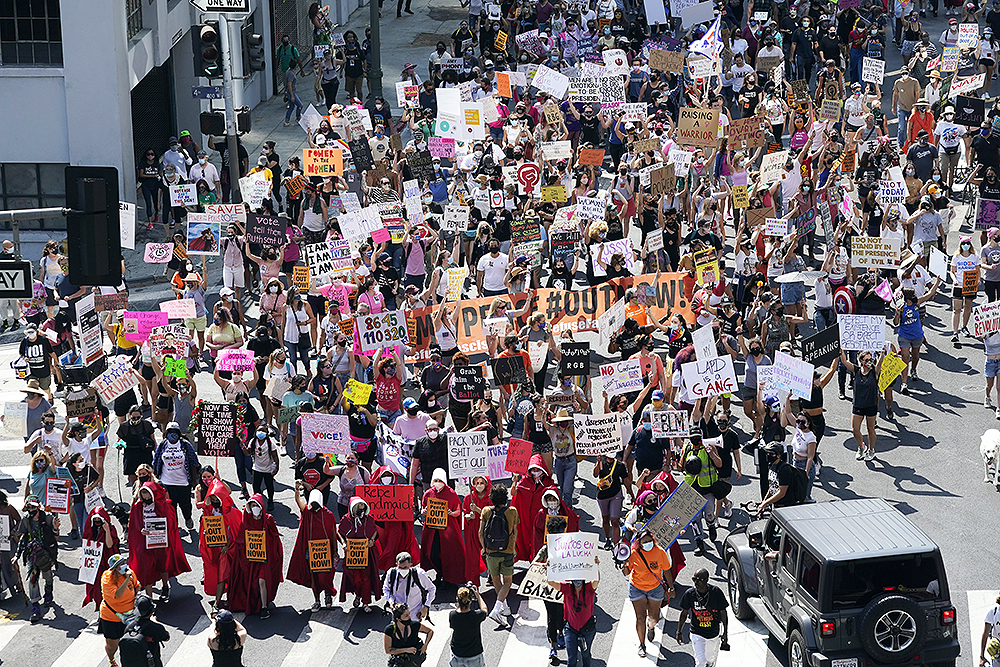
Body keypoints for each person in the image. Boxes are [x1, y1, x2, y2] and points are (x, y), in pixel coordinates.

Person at [127, 482, 191, 601]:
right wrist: (141, 530)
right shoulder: (138, 506)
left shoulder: (163, 505)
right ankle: (149, 598)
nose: (146, 499)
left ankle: (165, 586)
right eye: (144, 496)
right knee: (146, 568)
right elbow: (134, 524)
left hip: (160, 541)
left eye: (148, 496)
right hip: (145, 542)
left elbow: (170, 523)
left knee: (162, 565)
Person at [227, 494, 283, 618]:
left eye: (256, 505)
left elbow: (275, 539)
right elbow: (241, 540)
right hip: (251, 558)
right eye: (252, 506)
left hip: (265, 559)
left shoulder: (268, 520)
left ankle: (264, 607)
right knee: (252, 582)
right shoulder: (246, 521)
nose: (255, 508)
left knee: (262, 581)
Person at [623, 529, 674, 658]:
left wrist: (671, 587)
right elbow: (626, 573)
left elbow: (667, 570)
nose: (648, 543)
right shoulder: (633, 553)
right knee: (640, 617)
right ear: (639, 543)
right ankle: (642, 644)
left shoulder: (660, 552)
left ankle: (650, 628)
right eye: (645, 542)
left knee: (654, 617)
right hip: (637, 588)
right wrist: (624, 563)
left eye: (650, 541)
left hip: (655, 588)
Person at [288, 485, 339, 611]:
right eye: (312, 503)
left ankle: (328, 593)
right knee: (313, 576)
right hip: (311, 551)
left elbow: (333, 532)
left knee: (326, 575)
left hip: (325, 550)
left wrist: (335, 551)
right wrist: (297, 490)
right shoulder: (307, 512)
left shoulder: (328, 515)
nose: (314, 505)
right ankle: (317, 600)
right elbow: (298, 502)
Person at [199, 480, 242, 613]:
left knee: (226, 575)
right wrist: (206, 533)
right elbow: (205, 530)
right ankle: (221, 601)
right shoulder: (209, 513)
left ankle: (218, 602)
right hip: (216, 549)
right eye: (211, 499)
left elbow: (235, 531)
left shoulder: (233, 513)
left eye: (216, 498)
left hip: (229, 549)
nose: (213, 501)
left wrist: (227, 545)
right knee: (220, 574)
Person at [479, 482, 518, 623]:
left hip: (490, 552)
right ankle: (497, 609)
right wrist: (513, 548)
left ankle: (505, 607)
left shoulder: (485, 511)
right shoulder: (512, 511)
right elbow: (515, 531)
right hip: (507, 551)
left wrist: (484, 548)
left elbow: (480, 533)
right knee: (508, 582)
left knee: (496, 579)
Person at [419, 468, 466, 586]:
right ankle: (439, 572)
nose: (438, 482)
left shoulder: (451, 494)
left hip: (448, 530)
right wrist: (423, 511)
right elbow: (423, 508)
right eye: (436, 480)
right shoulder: (428, 493)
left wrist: (451, 513)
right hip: (432, 530)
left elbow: (458, 511)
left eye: (440, 480)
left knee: (449, 554)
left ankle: (447, 578)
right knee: (432, 554)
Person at [676, 568, 730, 667]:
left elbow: (723, 613)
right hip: (697, 632)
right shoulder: (690, 594)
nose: (695, 582)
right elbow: (684, 613)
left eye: (698, 580)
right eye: (694, 579)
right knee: (700, 661)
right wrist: (679, 631)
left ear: (706, 580)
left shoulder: (716, 592)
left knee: (709, 659)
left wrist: (725, 633)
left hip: (713, 633)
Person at [16, 495, 58, 623]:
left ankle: (48, 593)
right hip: (32, 555)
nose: (31, 509)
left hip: (46, 554)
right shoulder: (25, 520)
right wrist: (16, 555)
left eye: (33, 507)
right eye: (29, 507)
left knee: (47, 576)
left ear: (39, 507)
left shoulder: (48, 518)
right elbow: (22, 537)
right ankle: (35, 607)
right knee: (33, 579)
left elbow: (56, 538)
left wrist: (55, 529)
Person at [152, 422, 200, 531]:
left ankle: (188, 518)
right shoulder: (163, 444)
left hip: (183, 482)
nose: (172, 435)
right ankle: (175, 526)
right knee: (171, 506)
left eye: (175, 432)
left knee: (186, 505)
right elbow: (156, 461)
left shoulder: (185, 445)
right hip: (167, 482)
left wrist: (194, 480)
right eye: (170, 432)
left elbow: (194, 462)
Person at [840, 348, 885, 461]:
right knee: (855, 429)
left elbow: (879, 363)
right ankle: (861, 446)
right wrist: (841, 352)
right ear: (861, 361)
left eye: (871, 359)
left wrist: (882, 353)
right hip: (858, 405)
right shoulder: (856, 370)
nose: (870, 362)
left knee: (871, 429)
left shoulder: (874, 371)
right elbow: (845, 362)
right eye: (867, 360)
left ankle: (871, 450)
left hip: (871, 405)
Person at [553, 559, 600, 667]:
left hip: (587, 630)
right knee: (571, 658)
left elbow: (596, 580)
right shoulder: (567, 588)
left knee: (586, 655)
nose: (577, 580)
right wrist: (549, 568)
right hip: (571, 629)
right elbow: (551, 582)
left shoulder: (589, 588)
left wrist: (596, 566)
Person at [337, 497, 380, 611]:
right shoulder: (346, 519)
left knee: (366, 578)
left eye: (363, 508)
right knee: (355, 578)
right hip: (352, 554)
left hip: (367, 553)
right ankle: (358, 595)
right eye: (358, 509)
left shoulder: (368, 518)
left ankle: (366, 603)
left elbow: (375, 530)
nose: (361, 511)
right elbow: (340, 532)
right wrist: (343, 543)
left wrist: (372, 540)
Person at [82, 505, 120, 612]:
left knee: (108, 587)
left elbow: (109, 545)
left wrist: (107, 531)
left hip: (106, 562)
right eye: (96, 520)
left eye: (100, 520)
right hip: (95, 563)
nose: (97, 522)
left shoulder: (110, 528)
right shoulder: (90, 529)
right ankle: (101, 610)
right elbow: (86, 545)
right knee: (97, 588)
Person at [383, 551, 437, 619]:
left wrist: (426, 606)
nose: (402, 570)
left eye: (405, 567)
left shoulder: (419, 574)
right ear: (396, 564)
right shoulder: (391, 573)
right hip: (398, 615)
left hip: (414, 613)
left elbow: (432, 589)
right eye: (400, 567)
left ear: (410, 564)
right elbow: (386, 589)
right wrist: (391, 601)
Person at [119, 595, 170, 667]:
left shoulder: (130, 626)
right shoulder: (155, 627)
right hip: (152, 663)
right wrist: (155, 622)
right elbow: (166, 638)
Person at [384, 602, 433, 667]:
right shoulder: (390, 630)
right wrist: (406, 650)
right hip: (399, 662)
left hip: (413, 661)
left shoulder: (414, 625)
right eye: (406, 616)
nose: (409, 617)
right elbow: (388, 650)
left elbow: (430, 632)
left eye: (409, 614)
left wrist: (425, 645)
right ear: (398, 619)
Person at [449, 585, 488, 667]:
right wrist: (478, 595)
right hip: (474, 654)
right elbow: (485, 610)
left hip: (457, 654)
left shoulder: (453, 615)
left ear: (457, 599)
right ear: (470, 601)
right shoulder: (477, 615)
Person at [756, 443, 798, 514]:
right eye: (767, 453)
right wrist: (764, 501)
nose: (768, 455)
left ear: (779, 456)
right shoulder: (772, 466)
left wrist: (765, 503)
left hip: (785, 507)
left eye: (772, 454)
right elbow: (772, 486)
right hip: (776, 505)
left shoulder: (784, 470)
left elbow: (782, 493)